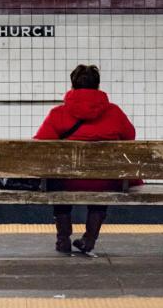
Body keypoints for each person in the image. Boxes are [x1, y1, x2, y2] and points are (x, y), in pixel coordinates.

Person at [34, 64, 140, 255]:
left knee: (57, 181)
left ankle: (63, 239)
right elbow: (130, 136)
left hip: (66, 181)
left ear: (73, 85)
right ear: (98, 86)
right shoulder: (114, 112)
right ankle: (89, 240)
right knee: (104, 179)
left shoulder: (58, 114)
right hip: (105, 181)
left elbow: (39, 145)